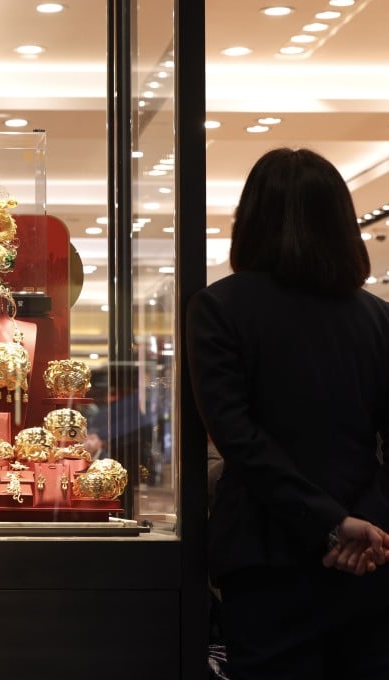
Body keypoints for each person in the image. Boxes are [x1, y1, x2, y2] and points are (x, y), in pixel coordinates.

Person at [187, 147, 389, 679]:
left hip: (266, 549)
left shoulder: (220, 307)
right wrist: (362, 527)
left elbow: (239, 437)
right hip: (369, 553)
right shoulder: (377, 317)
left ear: (249, 220)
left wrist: (330, 522)